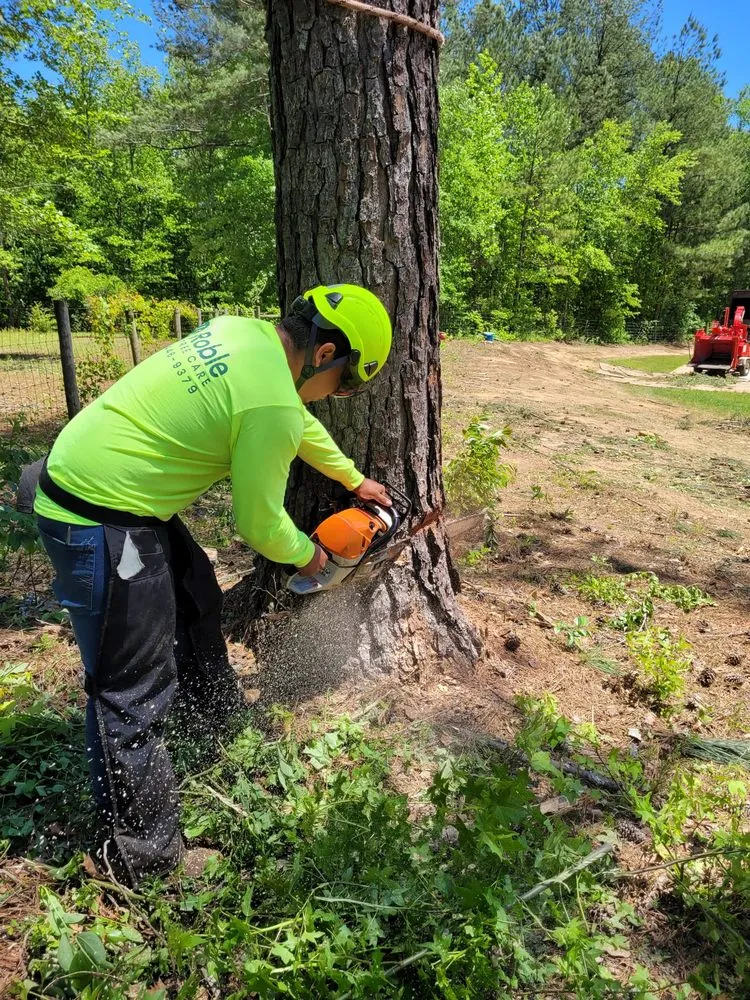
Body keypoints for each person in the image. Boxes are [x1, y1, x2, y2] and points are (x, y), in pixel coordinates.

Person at [31, 282, 393, 886]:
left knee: (198, 598)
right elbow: (257, 522)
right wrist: (312, 560)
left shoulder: (242, 335)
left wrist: (352, 478)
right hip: (97, 516)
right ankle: (146, 859)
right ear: (326, 355)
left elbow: (292, 418)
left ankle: (215, 725)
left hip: (112, 488)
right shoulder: (271, 403)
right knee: (128, 686)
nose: (337, 396)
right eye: (347, 383)